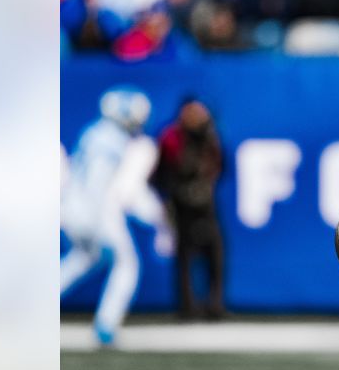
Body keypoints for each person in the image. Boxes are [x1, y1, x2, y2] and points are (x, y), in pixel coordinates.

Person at [61, 86, 172, 346]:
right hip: (96, 211)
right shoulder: (115, 141)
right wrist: (156, 215)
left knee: (83, 258)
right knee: (127, 264)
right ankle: (107, 323)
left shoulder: (93, 133)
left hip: (71, 208)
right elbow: (111, 186)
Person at [152, 97, 225, 320]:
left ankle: (214, 305)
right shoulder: (171, 137)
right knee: (184, 255)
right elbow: (161, 171)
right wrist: (172, 195)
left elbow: (220, 165)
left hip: (204, 202)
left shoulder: (209, 136)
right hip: (180, 202)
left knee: (215, 254)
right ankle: (187, 307)